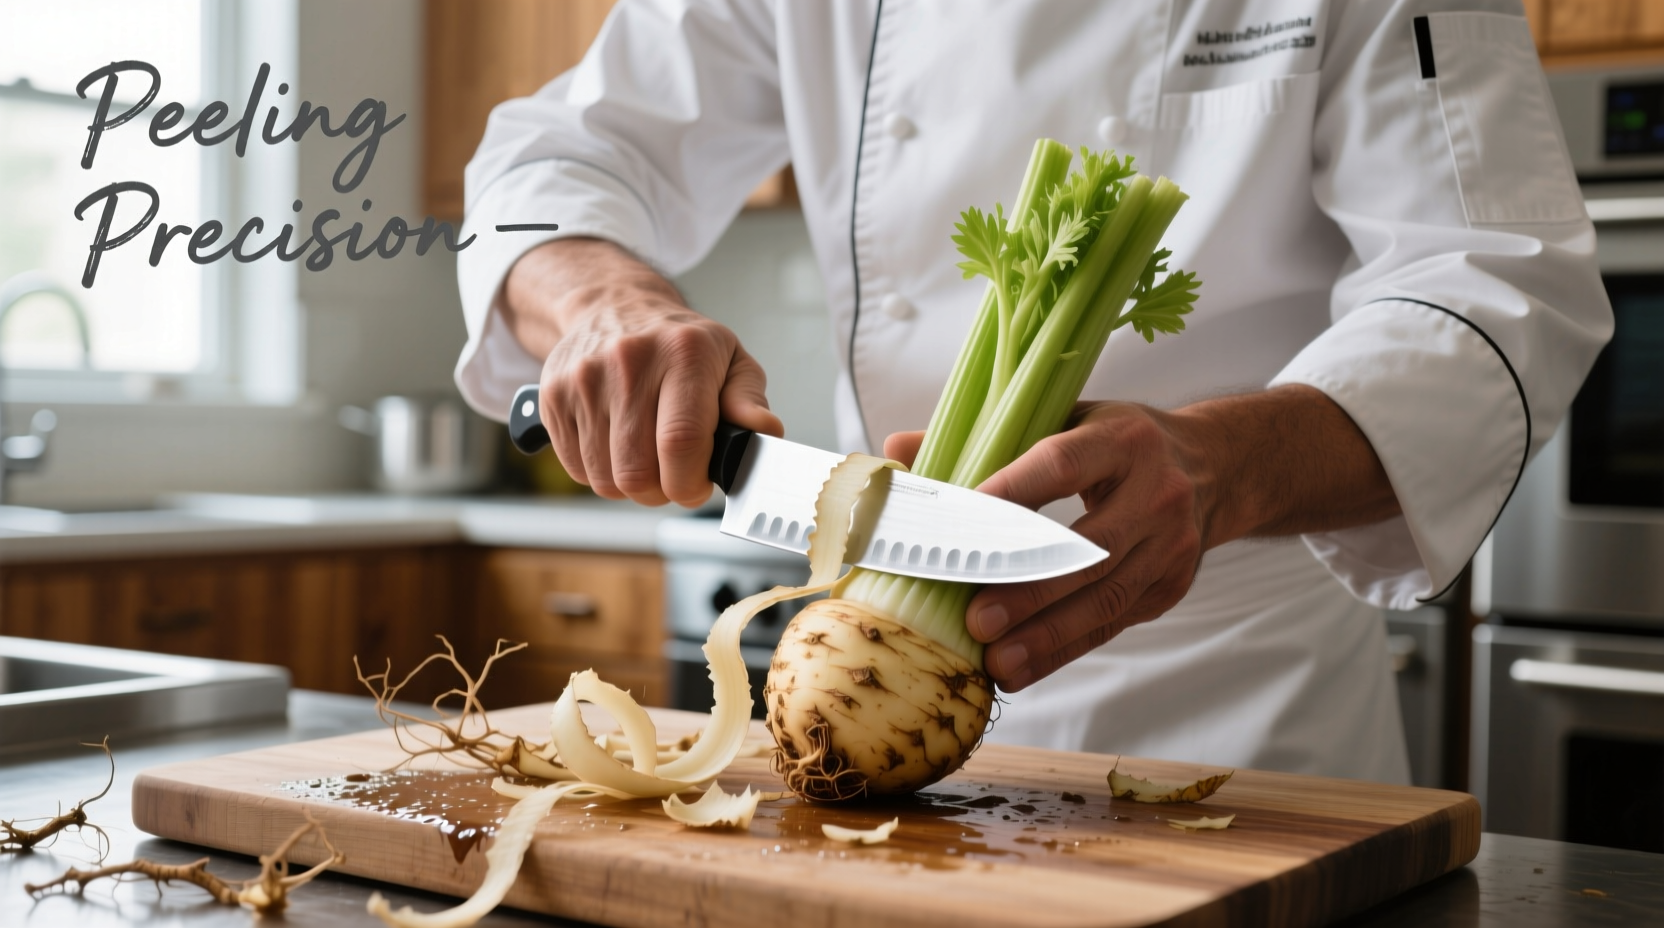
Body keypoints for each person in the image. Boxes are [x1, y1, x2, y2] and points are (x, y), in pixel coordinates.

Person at [453, 1, 1611, 784]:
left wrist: (1220, 465)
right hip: (878, 669)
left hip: (1240, 722)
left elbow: (1499, 280)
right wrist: (602, 295)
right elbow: (549, 159)